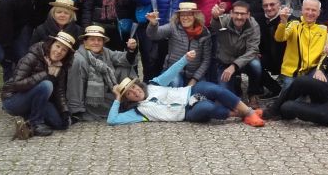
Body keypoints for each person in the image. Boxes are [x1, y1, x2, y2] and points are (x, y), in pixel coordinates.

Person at [107, 50, 265, 127]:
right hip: (186, 112)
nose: (135, 91)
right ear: (128, 99)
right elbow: (112, 120)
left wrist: (185, 59)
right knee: (207, 107)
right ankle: (241, 114)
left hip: (189, 92)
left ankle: (249, 112)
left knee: (213, 88)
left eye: (134, 87)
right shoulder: (137, 112)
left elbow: (171, 72)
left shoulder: (153, 84)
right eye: (130, 93)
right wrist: (118, 98)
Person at [1, 32, 77, 136]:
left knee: (61, 124)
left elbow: (60, 91)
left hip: (37, 99)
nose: (59, 51)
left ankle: (28, 116)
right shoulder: (32, 57)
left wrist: (64, 111)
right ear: (51, 45)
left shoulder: (60, 66)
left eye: (64, 50)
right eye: (57, 46)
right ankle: (35, 123)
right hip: (13, 99)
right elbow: (16, 84)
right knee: (46, 85)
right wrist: (46, 73)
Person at [66, 25, 138, 122]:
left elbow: (122, 58)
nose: (96, 43)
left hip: (107, 90)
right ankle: (126, 103)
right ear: (85, 41)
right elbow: (74, 86)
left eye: (99, 40)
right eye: (92, 39)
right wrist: (75, 110)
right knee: (121, 107)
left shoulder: (105, 51)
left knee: (125, 65)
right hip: (92, 98)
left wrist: (131, 50)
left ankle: (133, 94)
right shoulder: (78, 59)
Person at [210, 1, 263, 108]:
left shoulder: (254, 25)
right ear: (231, 13)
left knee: (256, 66)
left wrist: (234, 65)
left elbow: (253, 50)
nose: (239, 17)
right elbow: (214, 26)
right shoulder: (223, 20)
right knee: (225, 98)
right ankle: (235, 83)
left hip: (245, 61)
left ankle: (253, 93)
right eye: (236, 13)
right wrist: (215, 18)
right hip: (225, 62)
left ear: (248, 15)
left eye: (243, 14)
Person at [145, 2, 212, 84]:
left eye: (189, 15)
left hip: (194, 75)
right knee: (175, 83)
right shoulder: (173, 27)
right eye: (182, 15)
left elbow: (206, 60)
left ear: (195, 16)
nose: (185, 18)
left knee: (212, 90)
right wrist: (153, 24)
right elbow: (153, 35)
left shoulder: (204, 33)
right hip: (173, 72)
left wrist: (194, 79)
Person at [274, 0, 328, 88]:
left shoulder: (323, 29)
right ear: (302, 10)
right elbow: (279, 38)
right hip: (292, 72)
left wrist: (320, 70)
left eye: (314, 10)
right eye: (307, 9)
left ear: (319, 13)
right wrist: (283, 22)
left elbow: (325, 53)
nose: (310, 13)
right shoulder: (294, 24)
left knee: (323, 87)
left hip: (312, 71)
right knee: (291, 100)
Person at [133, 0, 163, 77]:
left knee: (160, 54)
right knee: (147, 55)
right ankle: (148, 81)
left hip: (161, 21)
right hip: (144, 22)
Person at [258, 0, 291, 98]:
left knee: (289, 96)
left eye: (272, 4)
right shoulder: (259, 20)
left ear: (279, 4)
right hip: (269, 58)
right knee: (250, 63)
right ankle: (274, 88)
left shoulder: (290, 19)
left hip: (288, 62)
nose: (269, 8)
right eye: (265, 5)